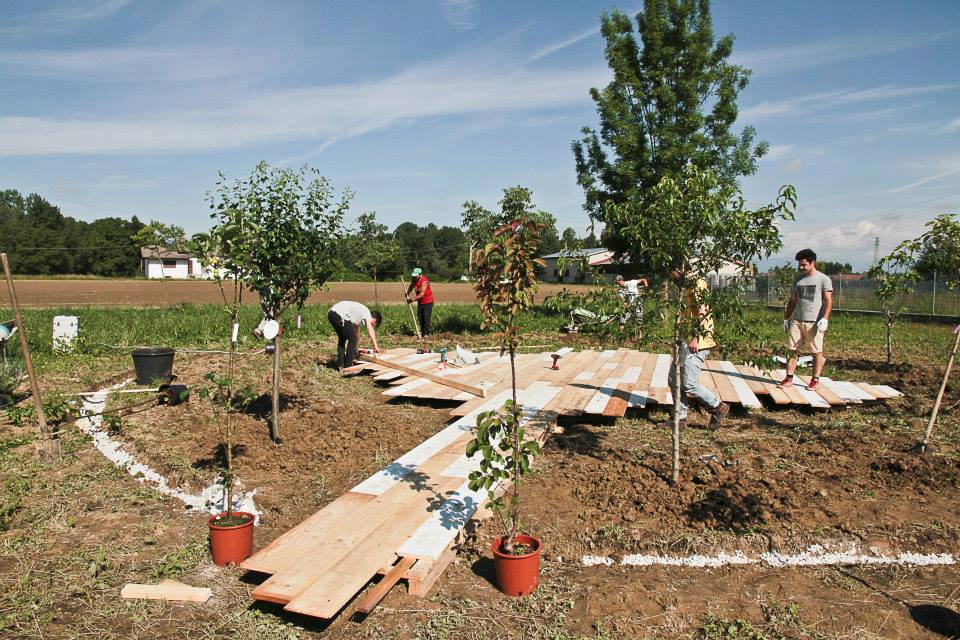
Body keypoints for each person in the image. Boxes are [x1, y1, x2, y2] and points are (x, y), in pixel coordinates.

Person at [662, 269, 729, 429]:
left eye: (673, 273)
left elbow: (702, 312)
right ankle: (680, 419)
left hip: (698, 342)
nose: (671, 277)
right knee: (674, 379)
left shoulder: (698, 285)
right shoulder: (685, 287)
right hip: (686, 340)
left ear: (681, 270)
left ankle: (718, 407)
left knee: (688, 383)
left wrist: (695, 338)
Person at [778, 248, 833, 391]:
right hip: (797, 320)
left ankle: (815, 379)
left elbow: (828, 300)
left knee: (816, 351)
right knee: (792, 349)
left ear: (812, 262)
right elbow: (793, 300)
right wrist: (786, 318)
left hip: (814, 322)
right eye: (799, 265)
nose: (801, 268)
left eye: (804, 265)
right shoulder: (798, 280)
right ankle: (789, 378)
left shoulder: (823, 279)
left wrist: (825, 318)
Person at [327, 300, 382, 370]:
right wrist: (375, 346)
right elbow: (369, 329)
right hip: (340, 314)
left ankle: (340, 365)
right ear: (374, 320)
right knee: (352, 339)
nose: (372, 326)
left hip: (331, 314)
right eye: (373, 325)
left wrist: (356, 349)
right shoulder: (367, 312)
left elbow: (356, 334)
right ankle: (348, 365)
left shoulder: (358, 316)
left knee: (342, 338)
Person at [405, 267, 434, 336]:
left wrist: (412, 300)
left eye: (416, 275)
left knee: (426, 318)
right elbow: (411, 285)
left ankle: (426, 334)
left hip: (427, 302)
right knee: (420, 317)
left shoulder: (424, 282)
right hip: (420, 302)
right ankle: (423, 332)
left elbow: (421, 294)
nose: (414, 277)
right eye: (413, 276)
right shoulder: (414, 279)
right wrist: (407, 293)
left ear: (420, 274)